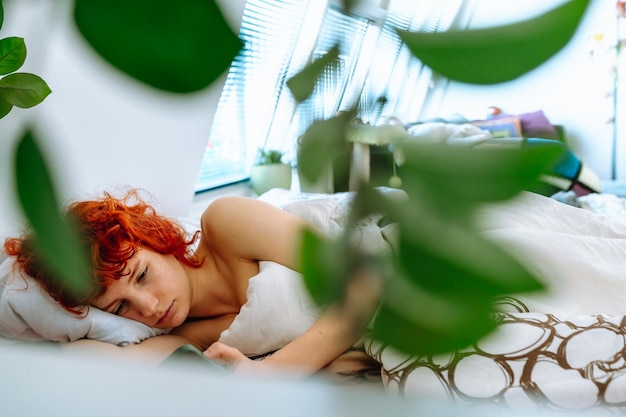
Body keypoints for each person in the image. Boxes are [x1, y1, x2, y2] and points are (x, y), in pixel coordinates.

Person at [3, 189, 381, 377]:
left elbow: (364, 280)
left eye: (142, 275)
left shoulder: (225, 224)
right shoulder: (188, 335)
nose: (148, 308)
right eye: (121, 308)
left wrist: (269, 374)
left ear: (155, 238)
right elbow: (102, 367)